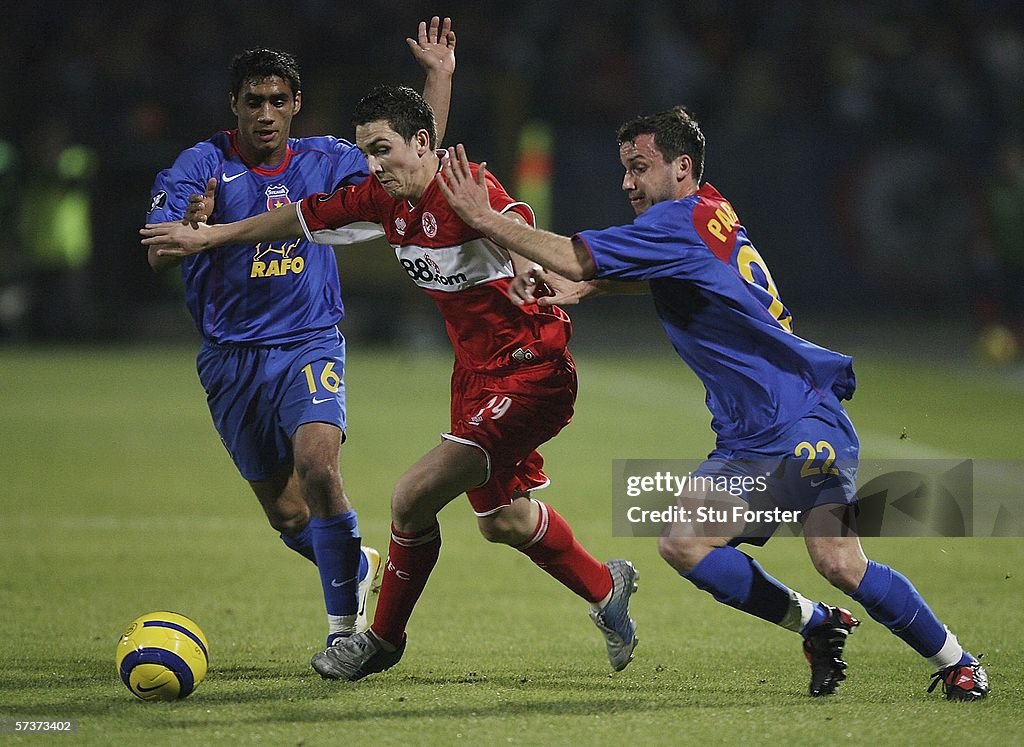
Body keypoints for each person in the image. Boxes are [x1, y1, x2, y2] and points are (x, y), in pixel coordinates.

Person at [434, 107, 990, 701]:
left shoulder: (677, 222)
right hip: (748, 438)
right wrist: (589, 284)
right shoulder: (707, 211)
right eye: (624, 169)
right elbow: (674, 271)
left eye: (639, 168)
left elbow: (576, 255)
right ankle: (816, 623)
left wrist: (483, 218)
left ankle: (958, 662)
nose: (627, 183)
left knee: (838, 560)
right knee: (684, 544)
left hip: (799, 417)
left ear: (682, 167)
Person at [141, 84, 639, 681]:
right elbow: (295, 218)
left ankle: (378, 642)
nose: (374, 165)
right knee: (503, 520)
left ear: (422, 143)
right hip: (475, 377)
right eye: (366, 152)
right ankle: (606, 588)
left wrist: (531, 270)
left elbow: (513, 221)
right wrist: (209, 237)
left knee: (411, 496)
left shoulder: (463, 184)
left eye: (383, 150)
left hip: (532, 368)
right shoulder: (384, 200)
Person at [142, 18, 457, 659]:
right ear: (234, 105)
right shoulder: (200, 165)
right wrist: (188, 222)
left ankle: (345, 633)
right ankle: (352, 559)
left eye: (278, 101)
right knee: (289, 518)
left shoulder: (328, 160)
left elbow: (412, 166)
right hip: (230, 359)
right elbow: (158, 255)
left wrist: (437, 79)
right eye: (253, 101)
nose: (266, 113)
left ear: (296, 105)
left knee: (318, 466)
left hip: (309, 341)